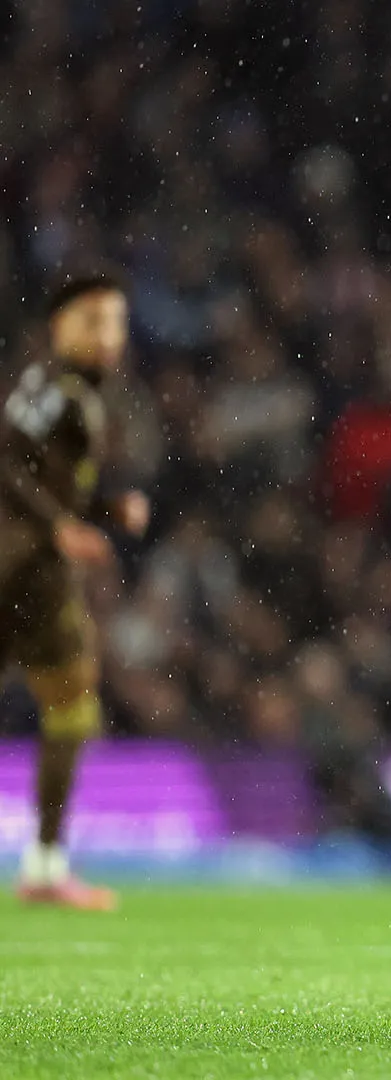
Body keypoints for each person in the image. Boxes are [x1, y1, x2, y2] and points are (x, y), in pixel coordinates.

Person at [8, 270, 149, 910]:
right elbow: (5, 462)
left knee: (71, 706)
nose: (106, 336)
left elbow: (38, 477)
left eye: (114, 321)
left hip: (25, 561)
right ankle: (43, 865)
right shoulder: (56, 390)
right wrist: (59, 526)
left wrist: (106, 509)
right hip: (25, 571)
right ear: (58, 327)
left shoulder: (65, 394)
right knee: (73, 707)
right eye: (92, 321)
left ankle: (44, 863)